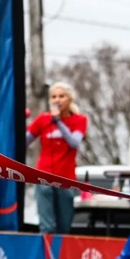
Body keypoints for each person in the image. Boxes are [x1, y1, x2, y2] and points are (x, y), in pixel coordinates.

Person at [27, 82, 87, 235]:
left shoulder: (80, 120)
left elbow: (74, 143)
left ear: (70, 99)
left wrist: (58, 122)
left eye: (61, 96)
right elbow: (24, 141)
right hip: (43, 176)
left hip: (66, 178)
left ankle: (61, 255)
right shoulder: (42, 119)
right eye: (53, 97)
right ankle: (46, 256)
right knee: (47, 227)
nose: (57, 100)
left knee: (64, 226)